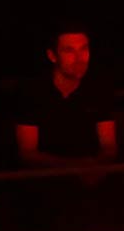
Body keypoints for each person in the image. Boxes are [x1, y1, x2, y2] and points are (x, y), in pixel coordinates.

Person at [14, 25, 116, 165]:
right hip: (46, 178)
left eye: (84, 49)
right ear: (52, 55)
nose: (79, 58)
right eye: (69, 51)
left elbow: (109, 147)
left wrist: (95, 168)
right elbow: (28, 153)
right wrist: (75, 167)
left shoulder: (98, 89)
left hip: (91, 176)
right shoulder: (33, 92)